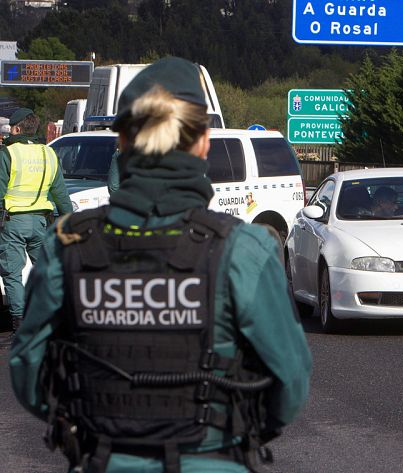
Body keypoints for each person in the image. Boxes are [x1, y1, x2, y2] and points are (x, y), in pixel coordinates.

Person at [9, 57, 312, 472]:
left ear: (122, 144)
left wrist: (93, 424)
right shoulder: (244, 249)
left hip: (101, 459)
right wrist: (234, 432)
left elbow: (29, 372)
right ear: (203, 141)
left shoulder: (67, 245)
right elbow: (289, 382)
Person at [0, 107, 71, 346]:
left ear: (18, 128)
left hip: (13, 223)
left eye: (11, 127)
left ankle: (20, 324)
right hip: (42, 221)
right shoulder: (48, 153)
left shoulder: (7, 153)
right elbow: (60, 193)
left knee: (12, 273)